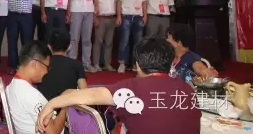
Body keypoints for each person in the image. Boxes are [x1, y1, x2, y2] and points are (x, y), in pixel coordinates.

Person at [36, 37, 201, 134]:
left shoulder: (133, 88)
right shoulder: (188, 89)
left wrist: (51, 104)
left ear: (137, 66)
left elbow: (92, 94)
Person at [5, 41, 66, 134]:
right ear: (34, 64)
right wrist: (65, 108)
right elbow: (52, 132)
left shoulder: (11, 86)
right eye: (46, 67)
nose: (46, 72)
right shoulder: (30, 95)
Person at [2, 0, 36, 74]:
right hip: (13, 15)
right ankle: (13, 66)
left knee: (27, 42)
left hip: (26, 16)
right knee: (12, 41)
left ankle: (25, 66)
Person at [37, 28, 87, 101]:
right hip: (68, 106)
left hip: (44, 106)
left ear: (49, 46)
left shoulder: (40, 64)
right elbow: (84, 93)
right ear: (69, 47)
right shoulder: (77, 65)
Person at [116, 0, 148, 73]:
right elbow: (119, 2)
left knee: (138, 41)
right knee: (124, 40)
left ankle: (136, 64)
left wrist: (145, 15)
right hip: (126, 16)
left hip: (138, 16)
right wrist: (119, 16)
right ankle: (122, 63)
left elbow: (144, 2)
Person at [92, 0, 116, 72]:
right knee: (98, 41)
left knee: (109, 42)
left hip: (112, 18)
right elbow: (92, 2)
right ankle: (96, 64)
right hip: (100, 18)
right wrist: (95, 17)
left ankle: (107, 64)